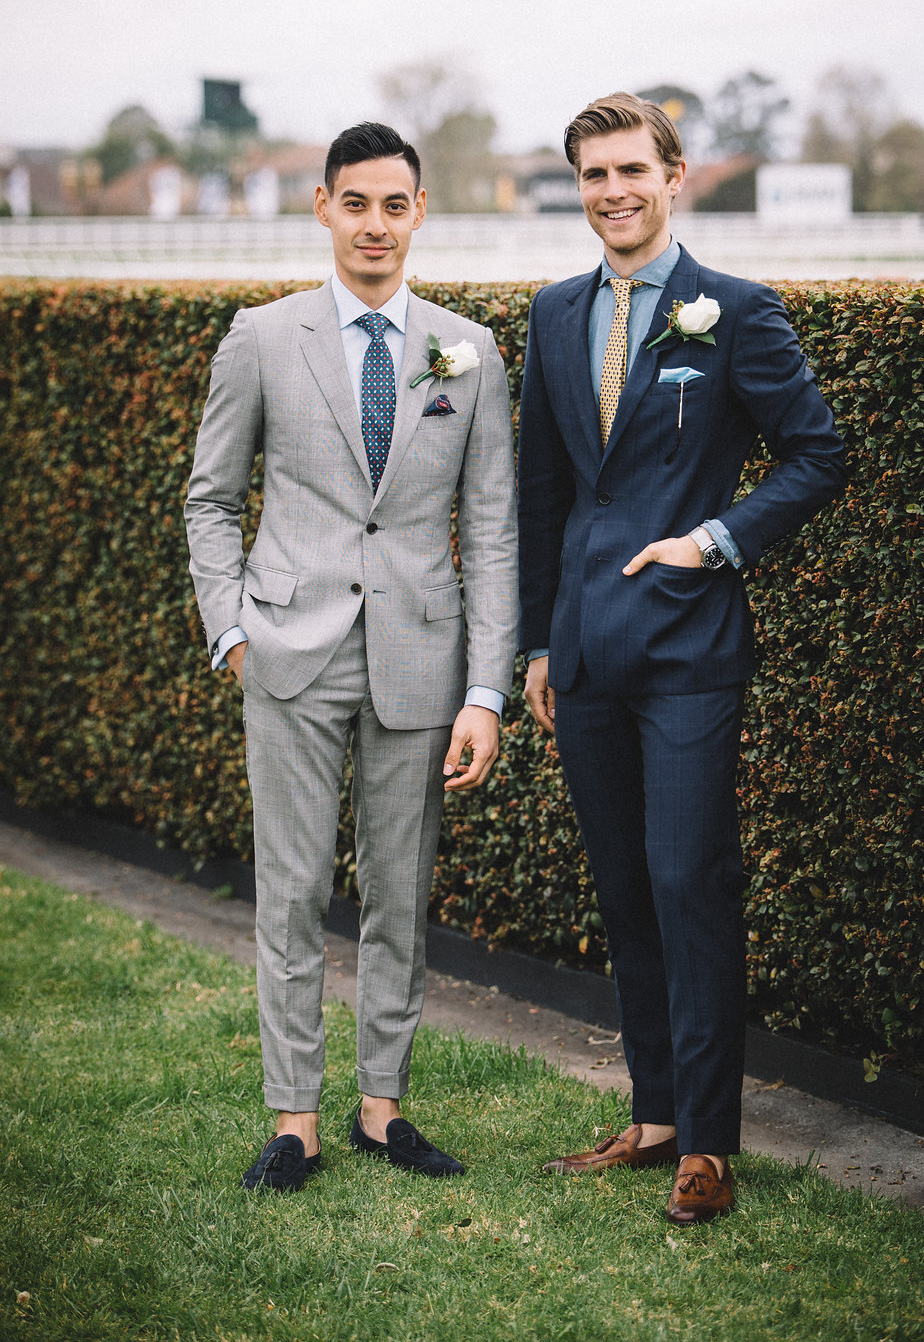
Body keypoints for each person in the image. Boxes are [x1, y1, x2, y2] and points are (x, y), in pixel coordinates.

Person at [517, 93, 845, 1225]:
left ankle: (708, 1143)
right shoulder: (554, 315)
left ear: (674, 175)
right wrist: (537, 645)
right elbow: (543, 494)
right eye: (592, 175)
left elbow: (817, 454)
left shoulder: (736, 312)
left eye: (629, 171)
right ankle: (653, 1117)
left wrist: (712, 540)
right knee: (621, 890)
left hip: (692, 652)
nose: (611, 191)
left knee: (685, 885)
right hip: (587, 660)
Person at [184, 122, 518, 1191]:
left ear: (419, 213)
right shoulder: (261, 338)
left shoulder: (467, 350)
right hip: (287, 650)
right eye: (356, 202)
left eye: (395, 204)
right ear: (323, 207)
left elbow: (495, 527)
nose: (375, 223)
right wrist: (232, 628)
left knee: (398, 894)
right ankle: (295, 1121)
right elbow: (210, 498)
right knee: (288, 892)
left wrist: (485, 689)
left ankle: (382, 1110)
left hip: (421, 660)